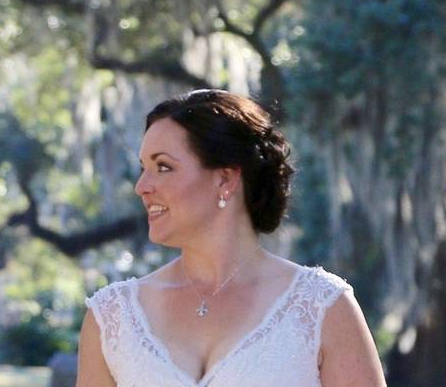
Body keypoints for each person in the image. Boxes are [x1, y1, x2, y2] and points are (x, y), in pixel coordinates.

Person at [76, 89, 386, 387]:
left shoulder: (322, 307)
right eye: (144, 168)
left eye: (163, 167)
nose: (141, 186)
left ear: (225, 178)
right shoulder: (112, 317)